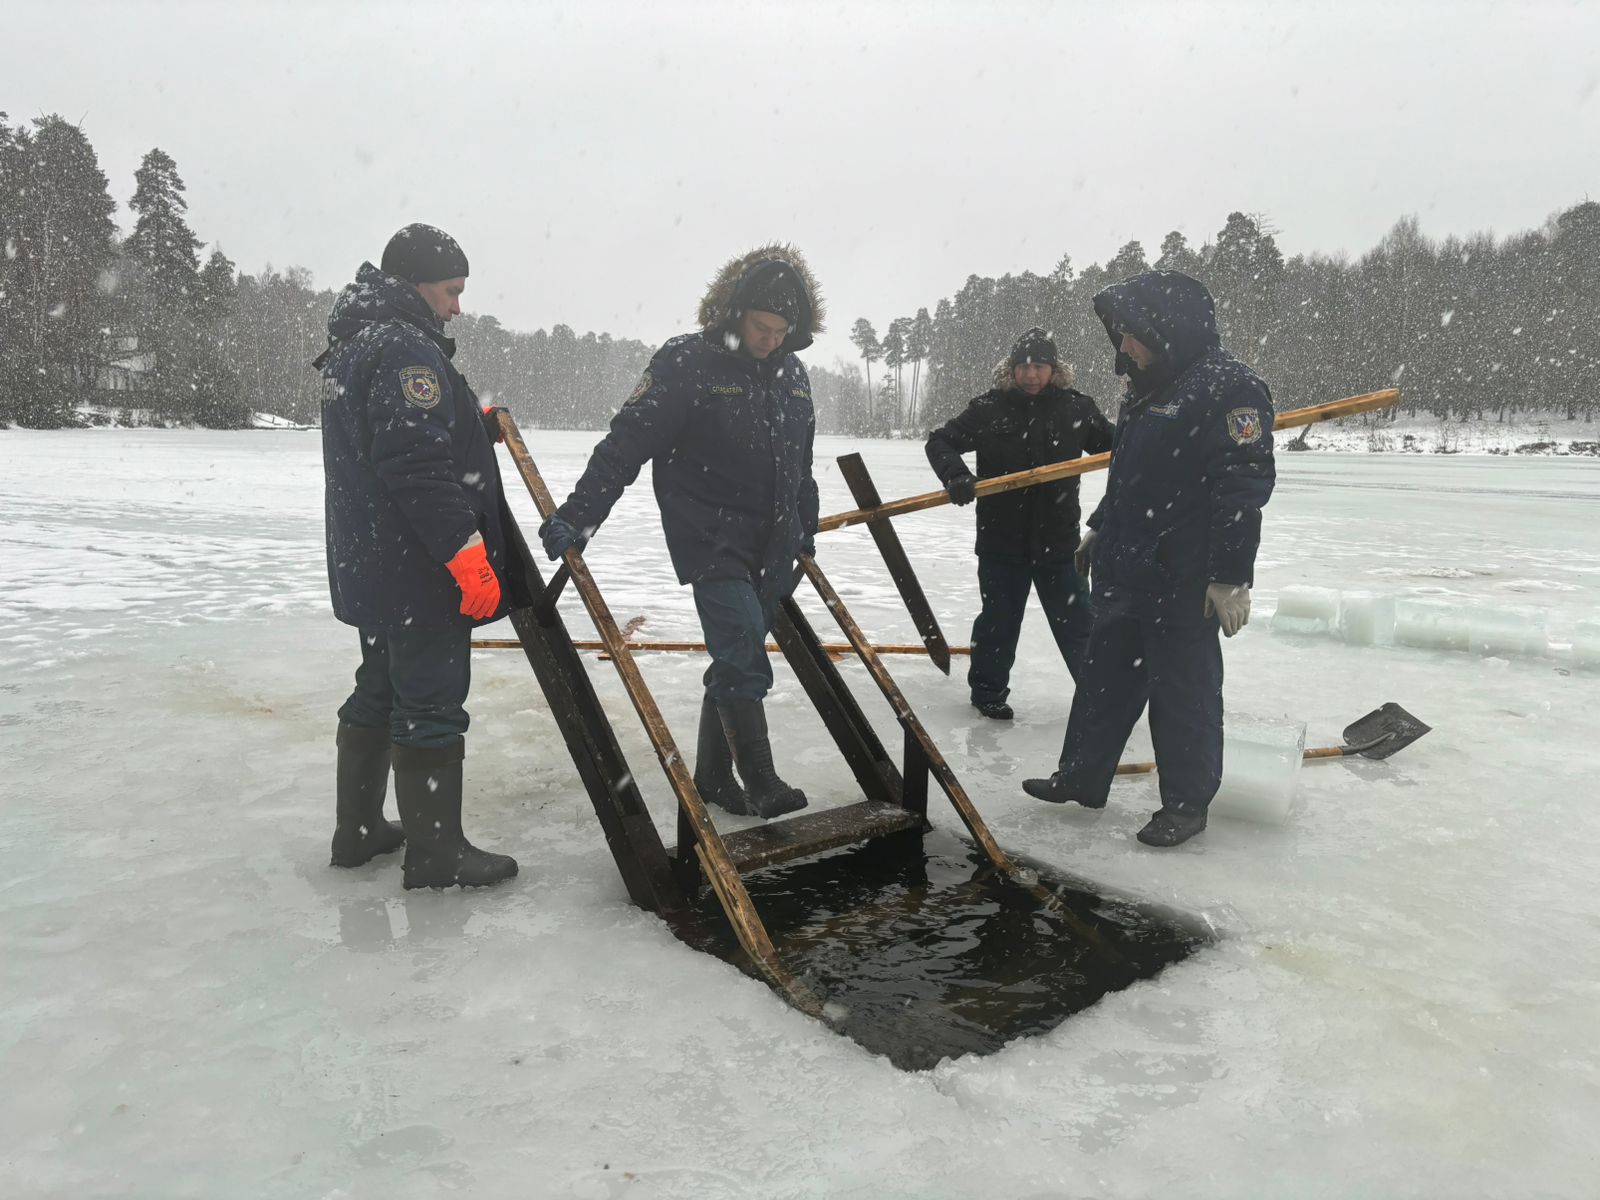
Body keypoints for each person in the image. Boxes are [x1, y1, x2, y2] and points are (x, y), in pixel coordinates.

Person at [539, 244, 823, 820]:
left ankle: (715, 777)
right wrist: (579, 515)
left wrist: (805, 531)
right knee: (742, 645)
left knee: (735, 655)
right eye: (762, 326)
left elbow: (802, 461)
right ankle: (761, 779)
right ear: (734, 315)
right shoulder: (687, 363)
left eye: (781, 329)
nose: (771, 338)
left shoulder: (793, 374)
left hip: (773, 541)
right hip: (708, 532)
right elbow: (626, 445)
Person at [1023, 271, 1275, 847]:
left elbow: (1243, 488)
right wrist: (1099, 530)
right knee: (1103, 683)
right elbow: (1132, 473)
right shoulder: (1148, 381)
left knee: (1182, 694)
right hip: (1126, 567)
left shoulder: (1229, 389)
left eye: (1131, 334)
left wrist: (1229, 577)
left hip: (1183, 578)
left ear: (1167, 328)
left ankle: (1186, 805)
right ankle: (1081, 778)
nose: (1123, 348)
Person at [316, 223, 526, 888]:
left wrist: (468, 423)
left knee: (379, 688)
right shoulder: (405, 348)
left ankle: (358, 832)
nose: (457, 306)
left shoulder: (355, 342)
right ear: (414, 285)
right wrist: (465, 555)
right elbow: (413, 463)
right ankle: (438, 856)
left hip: (372, 563)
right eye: (451, 291)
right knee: (431, 702)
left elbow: (394, 439)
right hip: (416, 568)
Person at [925, 327, 1113, 720]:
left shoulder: (1076, 409)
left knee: (1080, 624)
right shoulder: (988, 409)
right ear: (1011, 370)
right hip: (1000, 542)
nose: (1030, 375)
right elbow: (940, 441)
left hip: (1060, 543)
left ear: (1053, 369)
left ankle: (1101, 695)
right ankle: (988, 693)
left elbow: (1120, 448)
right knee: (998, 623)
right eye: (1023, 367)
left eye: (1039, 366)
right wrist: (956, 476)